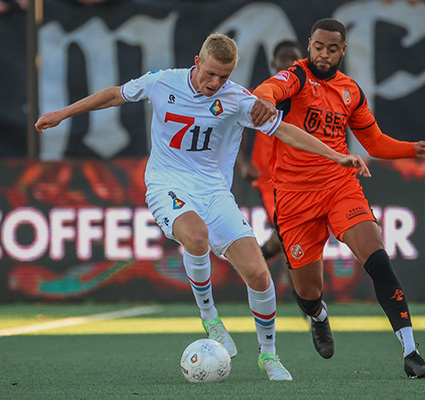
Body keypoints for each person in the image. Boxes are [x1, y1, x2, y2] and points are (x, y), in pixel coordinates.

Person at [35, 33, 371, 381]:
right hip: (167, 185)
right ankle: (210, 318)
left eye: (224, 77)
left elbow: (286, 131)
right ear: (197, 62)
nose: (215, 83)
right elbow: (114, 95)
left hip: (214, 193)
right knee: (196, 237)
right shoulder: (162, 82)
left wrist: (336, 155)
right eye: (210, 74)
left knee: (258, 272)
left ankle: (269, 356)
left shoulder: (238, 99)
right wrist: (63, 113)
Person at [251, 19, 425, 378]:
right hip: (295, 199)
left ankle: (411, 352)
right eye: (318, 47)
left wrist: (413, 149)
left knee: (377, 258)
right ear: (309, 45)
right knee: (308, 293)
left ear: (342, 50)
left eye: (332, 48)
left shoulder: (350, 91)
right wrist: (266, 102)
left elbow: (374, 141)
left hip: (340, 186)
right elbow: (269, 89)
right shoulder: (296, 77)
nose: (324, 54)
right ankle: (318, 315)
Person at [238, 39, 304, 261]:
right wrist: (243, 162)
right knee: (291, 233)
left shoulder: (309, 95)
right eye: (283, 58)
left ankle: (257, 260)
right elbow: (238, 126)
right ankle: (305, 294)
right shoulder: (261, 93)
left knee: (295, 234)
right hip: (270, 177)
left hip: (303, 176)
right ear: (273, 62)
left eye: (292, 58)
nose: (287, 63)